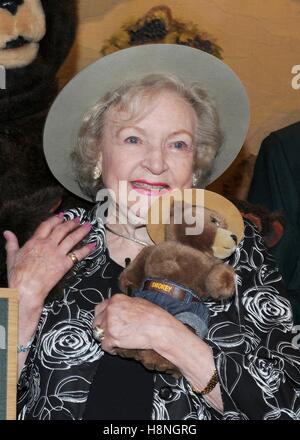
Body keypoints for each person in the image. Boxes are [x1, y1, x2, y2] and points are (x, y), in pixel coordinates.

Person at [5, 44, 300, 420]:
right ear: (97, 154)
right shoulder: (49, 241)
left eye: (178, 144)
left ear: (194, 167)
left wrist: (171, 339)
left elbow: (290, 404)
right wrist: (23, 303)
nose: (157, 162)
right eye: (133, 139)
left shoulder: (236, 249)